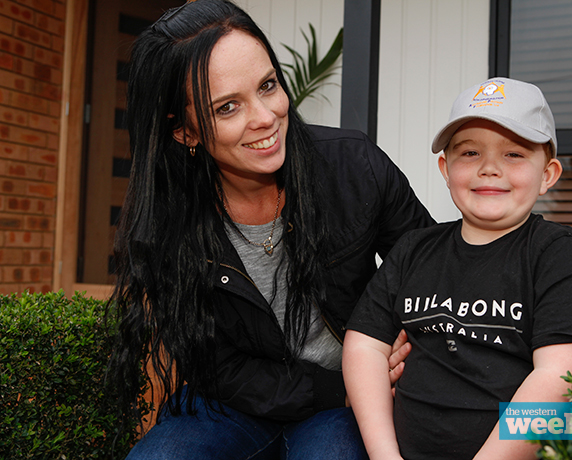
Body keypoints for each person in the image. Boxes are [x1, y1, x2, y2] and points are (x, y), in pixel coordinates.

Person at [108, 0, 434, 458]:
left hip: (351, 399)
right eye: (227, 107)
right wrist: (337, 388)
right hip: (235, 403)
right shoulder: (168, 219)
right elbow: (218, 368)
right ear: (185, 131)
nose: (264, 117)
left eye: (267, 85)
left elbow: (435, 277)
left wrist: (393, 366)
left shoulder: (354, 167)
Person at [342, 77, 572, 460]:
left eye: (514, 154)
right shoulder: (413, 250)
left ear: (548, 175)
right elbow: (364, 346)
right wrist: (385, 455)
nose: (489, 168)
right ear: (445, 167)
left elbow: (562, 376)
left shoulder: (560, 257)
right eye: (470, 153)